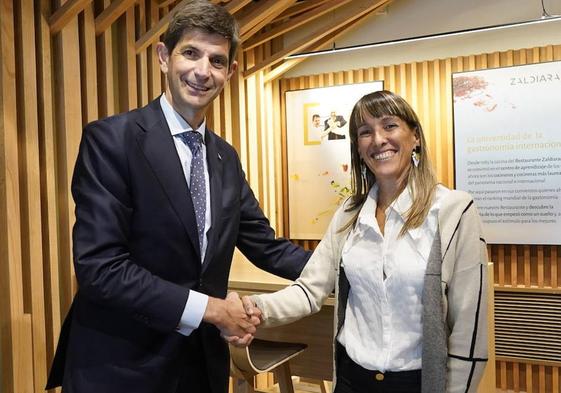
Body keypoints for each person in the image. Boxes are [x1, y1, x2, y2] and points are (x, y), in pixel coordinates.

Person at [45, 1, 310, 393]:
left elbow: (267, 247)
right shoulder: (112, 140)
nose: (203, 71)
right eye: (191, 53)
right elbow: (100, 268)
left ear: (230, 72)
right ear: (164, 57)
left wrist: (354, 267)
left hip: (200, 367)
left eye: (217, 61)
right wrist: (214, 310)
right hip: (120, 366)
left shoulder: (225, 158)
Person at [237, 91, 489, 393]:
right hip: (350, 380)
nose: (378, 139)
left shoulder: (453, 210)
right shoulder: (349, 213)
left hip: (417, 383)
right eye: (365, 132)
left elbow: (469, 331)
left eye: (390, 126)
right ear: (358, 147)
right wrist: (253, 307)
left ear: (416, 137)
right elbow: (309, 290)